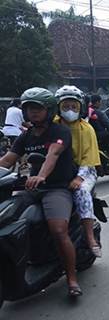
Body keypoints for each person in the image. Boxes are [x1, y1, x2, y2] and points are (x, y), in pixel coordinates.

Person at [0, 87, 82, 297]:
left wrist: (41, 176)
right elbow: (8, 160)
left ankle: (71, 278)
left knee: (58, 230)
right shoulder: (26, 136)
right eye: (29, 109)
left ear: (49, 109)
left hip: (56, 188)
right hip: (31, 188)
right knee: (8, 218)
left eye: (37, 108)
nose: (32, 113)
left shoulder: (60, 131)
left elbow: (52, 155)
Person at [54, 85, 102, 258]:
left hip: (84, 171)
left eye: (74, 106)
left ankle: (90, 237)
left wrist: (79, 178)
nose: (70, 110)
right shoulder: (52, 125)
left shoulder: (86, 129)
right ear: (58, 107)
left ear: (80, 107)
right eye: (65, 106)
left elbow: (88, 157)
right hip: (57, 172)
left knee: (81, 192)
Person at [88, 95, 109, 182]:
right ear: (98, 102)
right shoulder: (99, 113)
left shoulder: (85, 112)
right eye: (100, 102)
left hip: (87, 139)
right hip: (100, 139)